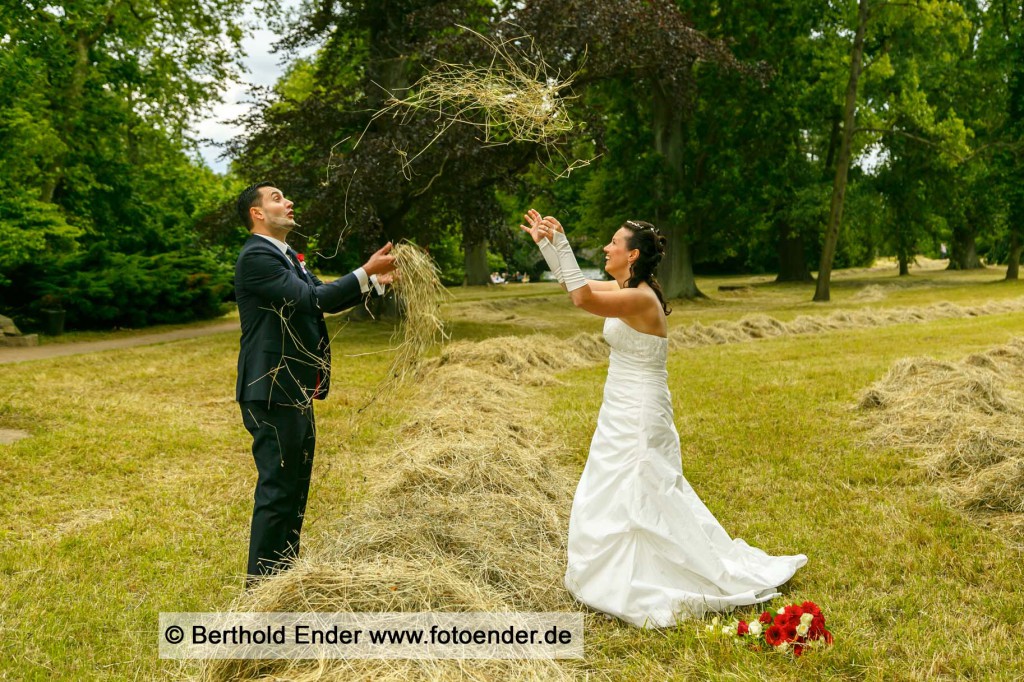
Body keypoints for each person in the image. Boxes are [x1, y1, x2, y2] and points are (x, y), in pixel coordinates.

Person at [520, 209, 806, 627]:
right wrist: (548, 245)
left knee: (644, 485)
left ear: (632, 255)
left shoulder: (640, 298)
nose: (606, 247)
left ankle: (654, 574)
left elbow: (582, 298)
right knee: (615, 484)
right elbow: (572, 285)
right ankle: (622, 566)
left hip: (639, 407)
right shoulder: (626, 288)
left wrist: (562, 244)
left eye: (613, 243)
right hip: (619, 402)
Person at [234, 182, 397, 585]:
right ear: (256, 213)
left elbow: (321, 295)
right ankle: (262, 589)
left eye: (286, 196)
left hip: (294, 387)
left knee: (294, 486)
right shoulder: (257, 256)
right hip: (271, 390)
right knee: (278, 490)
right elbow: (312, 301)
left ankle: (283, 577)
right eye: (276, 198)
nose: (288, 201)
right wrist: (365, 270)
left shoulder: (288, 257)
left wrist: (373, 284)